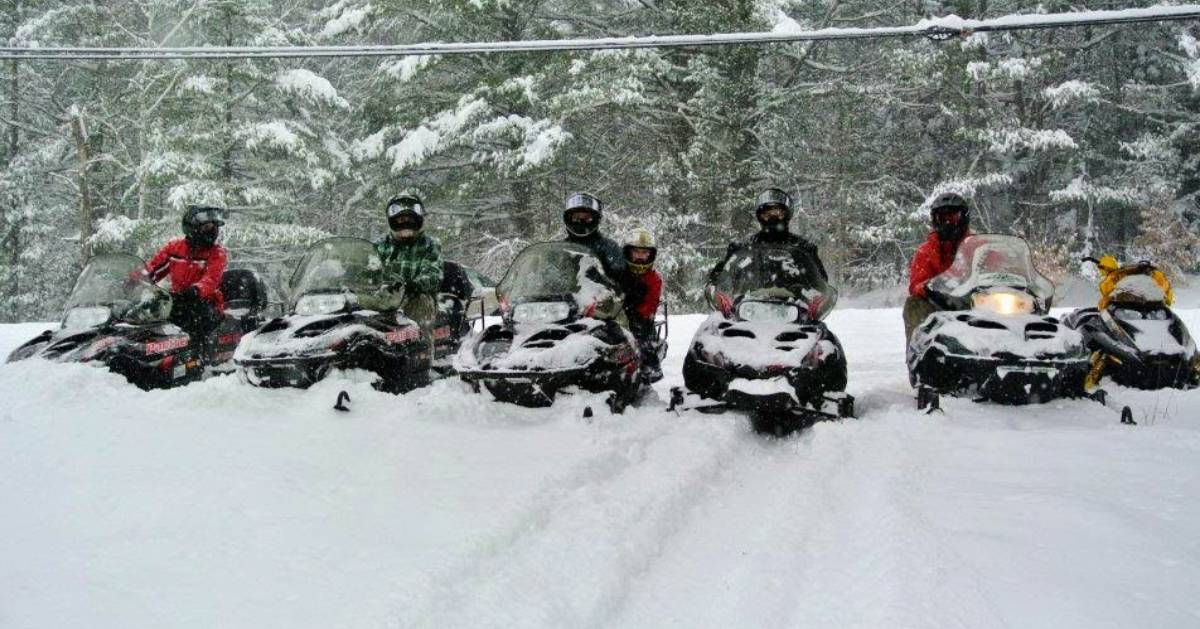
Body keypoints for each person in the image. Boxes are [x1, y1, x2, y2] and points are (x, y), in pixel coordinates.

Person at [707, 188, 829, 311]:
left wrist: (815, 297)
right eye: (767, 215)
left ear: (786, 215)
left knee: (819, 330)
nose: (773, 218)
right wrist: (718, 278)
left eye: (778, 213)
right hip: (747, 310)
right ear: (760, 217)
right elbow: (726, 276)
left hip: (795, 310)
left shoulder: (804, 248)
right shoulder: (742, 247)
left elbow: (819, 281)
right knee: (714, 327)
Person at [139, 205, 229, 358]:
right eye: (208, 226)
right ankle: (154, 355)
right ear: (192, 227)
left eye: (215, 226)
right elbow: (154, 268)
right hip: (177, 298)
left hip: (206, 302)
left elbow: (211, 280)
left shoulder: (217, 253)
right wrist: (134, 278)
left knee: (195, 318)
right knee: (151, 315)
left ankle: (197, 359)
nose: (213, 230)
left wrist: (196, 290)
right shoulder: (175, 248)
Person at [375, 193, 443, 358]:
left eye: (409, 218)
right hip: (384, 297)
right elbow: (368, 269)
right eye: (400, 219)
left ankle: (422, 356)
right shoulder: (379, 246)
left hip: (415, 296)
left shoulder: (430, 245)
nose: (405, 222)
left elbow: (433, 274)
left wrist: (413, 285)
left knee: (420, 303)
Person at [904, 192, 973, 343]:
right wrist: (931, 288)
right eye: (943, 218)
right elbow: (916, 284)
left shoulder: (978, 247)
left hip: (976, 302)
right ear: (935, 220)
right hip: (940, 304)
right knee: (913, 303)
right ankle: (919, 349)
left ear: (963, 218)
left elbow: (997, 269)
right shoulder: (926, 251)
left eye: (953, 217)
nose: (948, 222)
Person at [622, 227, 664, 382]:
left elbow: (652, 302)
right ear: (629, 252)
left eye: (644, 253)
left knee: (641, 338)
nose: (640, 256)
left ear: (651, 255)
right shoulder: (620, 271)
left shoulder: (654, 278)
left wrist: (637, 311)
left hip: (640, 318)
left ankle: (651, 367)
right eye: (636, 252)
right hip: (616, 312)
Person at [562, 192, 626, 279]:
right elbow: (545, 278)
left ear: (596, 219)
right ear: (569, 219)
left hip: (600, 292)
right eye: (576, 218)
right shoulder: (560, 250)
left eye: (587, 218)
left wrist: (605, 276)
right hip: (565, 292)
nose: (581, 222)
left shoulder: (610, 248)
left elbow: (621, 279)